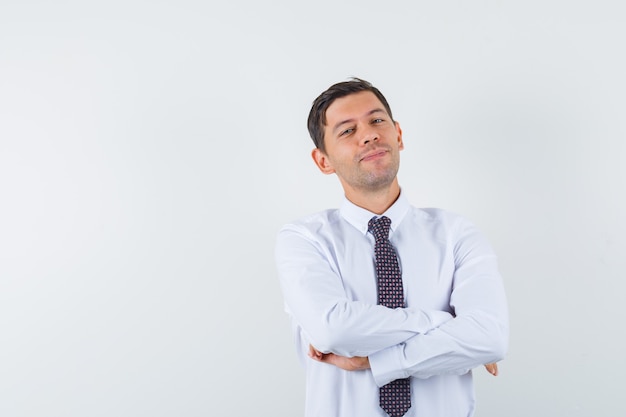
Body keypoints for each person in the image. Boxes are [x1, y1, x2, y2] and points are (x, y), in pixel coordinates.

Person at [275, 78, 508, 417]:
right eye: (346, 131)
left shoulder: (457, 233)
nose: (369, 134)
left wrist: (378, 360)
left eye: (377, 120)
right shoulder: (303, 240)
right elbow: (334, 329)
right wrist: (449, 324)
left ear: (398, 135)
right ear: (323, 160)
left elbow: (491, 338)